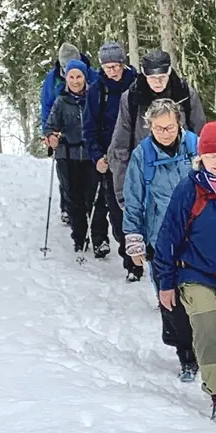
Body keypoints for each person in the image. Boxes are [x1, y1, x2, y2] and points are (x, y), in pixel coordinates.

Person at [153, 120, 216, 424]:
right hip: (195, 273)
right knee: (207, 328)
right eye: (212, 157)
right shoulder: (189, 190)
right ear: (201, 158)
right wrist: (166, 283)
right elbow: (167, 238)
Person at [123, 99, 201, 383]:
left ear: (179, 123)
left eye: (170, 127)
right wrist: (134, 239)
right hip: (161, 237)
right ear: (149, 127)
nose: (165, 133)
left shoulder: (195, 146)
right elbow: (133, 199)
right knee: (170, 300)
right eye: (158, 129)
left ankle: (206, 349)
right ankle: (186, 356)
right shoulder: (142, 155)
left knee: (202, 297)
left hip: (198, 236)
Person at [108, 50, 206, 212]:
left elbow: (201, 141)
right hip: (146, 176)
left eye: (162, 77)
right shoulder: (131, 99)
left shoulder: (186, 95)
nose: (158, 82)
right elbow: (120, 147)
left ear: (169, 73)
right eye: (152, 78)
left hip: (182, 175)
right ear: (144, 76)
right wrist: (123, 193)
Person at [83, 41, 139, 272]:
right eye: (108, 67)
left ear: (123, 64)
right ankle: (129, 258)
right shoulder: (97, 90)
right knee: (117, 215)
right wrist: (97, 156)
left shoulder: (137, 85)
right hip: (112, 160)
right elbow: (89, 128)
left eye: (116, 66)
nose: (113, 71)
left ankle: (140, 260)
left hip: (138, 155)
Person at [45, 62, 107, 253]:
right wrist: (51, 138)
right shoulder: (61, 102)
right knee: (73, 199)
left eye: (78, 77)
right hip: (68, 156)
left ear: (85, 78)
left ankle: (100, 240)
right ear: (66, 78)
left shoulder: (95, 97)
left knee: (95, 198)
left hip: (91, 155)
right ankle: (79, 237)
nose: (75, 81)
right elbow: (49, 126)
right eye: (71, 77)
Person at [42, 42, 96, 224]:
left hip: (86, 132)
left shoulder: (91, 74)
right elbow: (47, 106)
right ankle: (67, 208)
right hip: (64, 131)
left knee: (87, 177)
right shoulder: (52, 78)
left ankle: (88, 210)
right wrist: (48, 133)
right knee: (66, 176)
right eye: (66, 67)